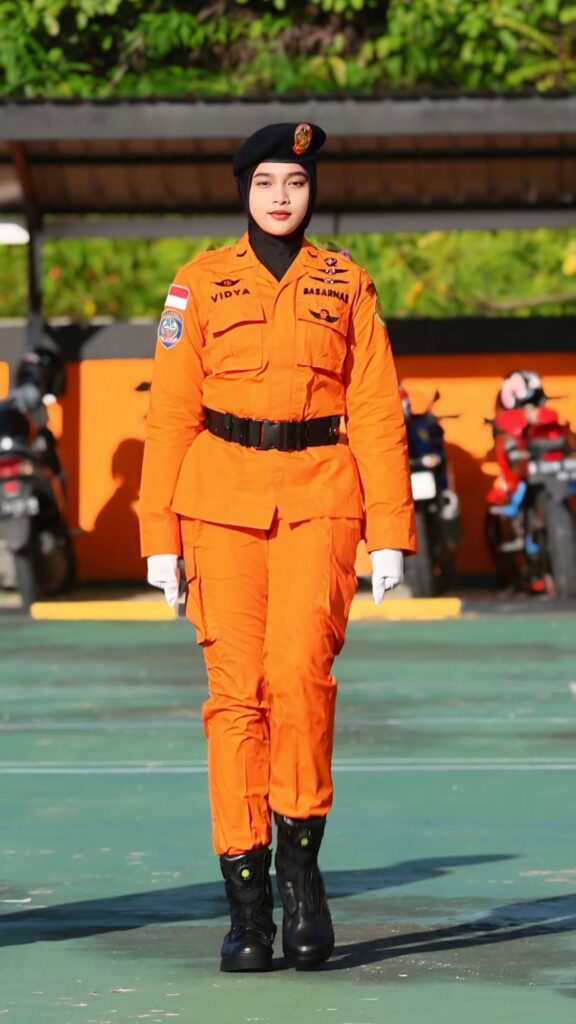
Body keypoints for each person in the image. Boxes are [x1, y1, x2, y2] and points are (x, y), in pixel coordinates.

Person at [138, 122, 416, 973]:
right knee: (236, 699)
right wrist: (158, 536)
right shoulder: (198, 284)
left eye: (294, 182)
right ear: (244, 192)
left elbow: (377, 410)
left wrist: (390, 532)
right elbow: (170, 413)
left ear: (312, 191)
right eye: (265, 183)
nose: (281, 197)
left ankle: (301, 880)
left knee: (299, 679)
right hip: (217, 501)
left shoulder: (347, 283)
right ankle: (247, 910)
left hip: (319, 497)